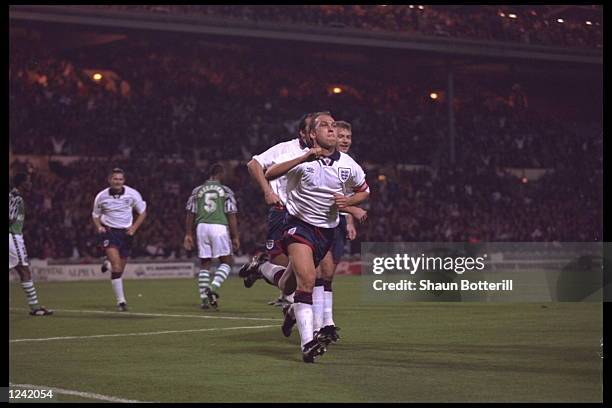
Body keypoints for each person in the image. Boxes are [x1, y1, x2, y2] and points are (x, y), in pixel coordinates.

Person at [264, 112, 370, 362]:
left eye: (334, 125)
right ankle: (308, 343)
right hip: (298, 226)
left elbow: (364, 190)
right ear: (313, 135)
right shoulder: (302, 159)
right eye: (325, 126)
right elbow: (269, 174)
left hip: (327, 232)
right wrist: (305, 156)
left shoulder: (348, 164)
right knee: (309, 281)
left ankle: (264, 270)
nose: (332, 129)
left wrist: (351, 203)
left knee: (287, 284)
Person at [284, 120, 366, 342]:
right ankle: (321, 325)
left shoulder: (348, 165)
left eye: (348, 137)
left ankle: (317, 319)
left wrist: (349, 216)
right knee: (316, 275)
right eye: (341, 136)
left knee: (327, 275)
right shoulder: (313, 161)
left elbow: (347, 195)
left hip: (336, 222)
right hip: (310, 222)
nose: (345, 140)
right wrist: (352, 209)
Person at [239, 112, 317, 306]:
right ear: (302, 133)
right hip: (283, 212)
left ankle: (279, 289)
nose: (316, 134)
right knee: (290, 270)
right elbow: (253, 164)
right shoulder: (285, 149)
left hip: (309, 217)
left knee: (304, 272)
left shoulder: (324, 155)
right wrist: (267, 191)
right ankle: (264, 269)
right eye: (312, 130)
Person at [184, 163, 239, 310]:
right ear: (220, 174)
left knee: (205, 263)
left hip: (201, 227)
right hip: (218, 226)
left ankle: (204, 299)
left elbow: (190, 212)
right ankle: (212, 287)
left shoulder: (197, 190)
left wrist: (188, 233)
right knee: (227, 262)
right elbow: (231, 213)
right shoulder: (226, 191)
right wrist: (235, 237)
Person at [92, 168, 147, 311]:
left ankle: (107, 264)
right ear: (109, 180)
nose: (118, 182)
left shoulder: (132, 194)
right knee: (117, 267)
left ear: (124, 181)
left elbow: (142, 212)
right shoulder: (101, 196)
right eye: (115, 179)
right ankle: (121, 302)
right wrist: (99, 226)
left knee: (118, 270)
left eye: (120, 179)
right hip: (110, 232)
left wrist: (134, 228)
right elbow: (95, 215)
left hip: (127, 234)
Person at [9, 173, 53, 316]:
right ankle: (35, 308)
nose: (30, 184)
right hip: (13, 237)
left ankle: (35, 307)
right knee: (24, 270)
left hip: (13, 236)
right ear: (21, 183)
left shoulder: (15, 196)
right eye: (28, 181)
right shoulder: (16, 198)